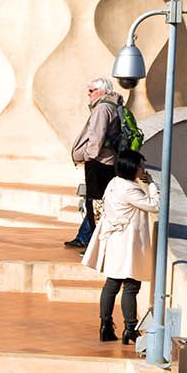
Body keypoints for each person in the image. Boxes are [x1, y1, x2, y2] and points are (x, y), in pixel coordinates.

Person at [84, 149, 160, 343]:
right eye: (140, 165)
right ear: (132, 168)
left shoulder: (114, 183)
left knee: (112, 284)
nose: (143, 168)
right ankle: (130, 328)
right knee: (131, 285)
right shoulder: (129, 189)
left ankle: (105, 325)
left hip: (116, 241)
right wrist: (151, 183)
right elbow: (155, 205)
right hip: (128, 244)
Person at [66, 77, 124, 250]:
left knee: (95, 204)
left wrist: (88, 156)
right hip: (107, 162)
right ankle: (85, 237)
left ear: (102, 91)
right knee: (97, 203)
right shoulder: (113, 106)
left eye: (91, 90)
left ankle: (95, 246)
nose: (88, 93)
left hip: (99, 163)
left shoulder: (102, 108)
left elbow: (97, 137)